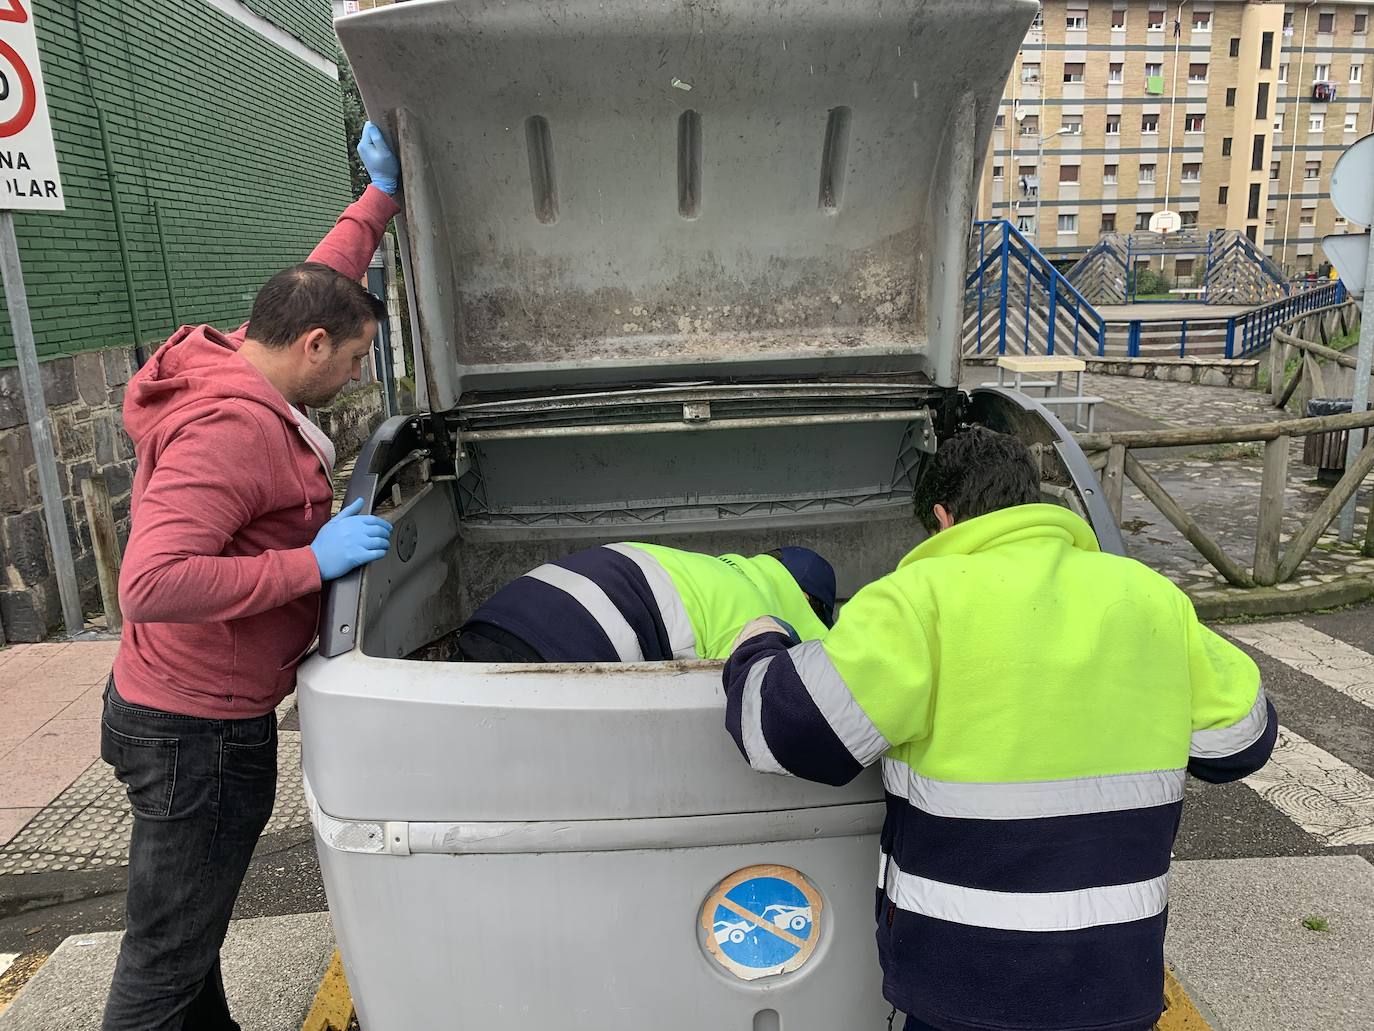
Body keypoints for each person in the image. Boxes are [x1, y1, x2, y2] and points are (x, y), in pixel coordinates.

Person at [721, 427, 1277, 1031]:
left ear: (942, 518)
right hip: (1113, 982)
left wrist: (760, 642)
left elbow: (783, 729)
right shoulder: (1150, 598)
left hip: (965, 986)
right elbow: (1240, 744)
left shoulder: (918, 600)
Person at [100, 123, 404, 1031]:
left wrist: (377, 200)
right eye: (352, 362)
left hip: (180, 708)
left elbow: (321, 277)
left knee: (188, 929)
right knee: (162, 957)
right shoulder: (229, 429)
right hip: (195, 733)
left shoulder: (241, 352)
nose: (353, 380)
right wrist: (306, 563)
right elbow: (150, 581)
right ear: (312, 346)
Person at [455, 543, 837, 662]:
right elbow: (756, 703)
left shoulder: (707, 573)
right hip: (561, 647)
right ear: (806, 603)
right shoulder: (754, 611)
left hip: (495, 620)